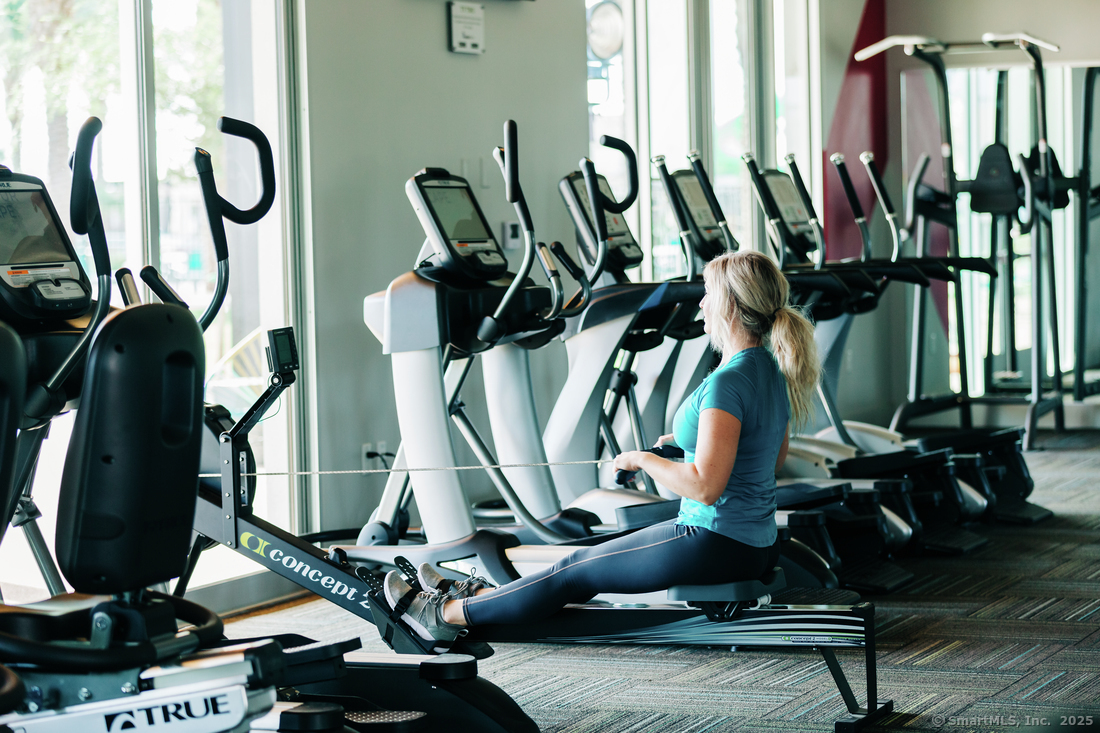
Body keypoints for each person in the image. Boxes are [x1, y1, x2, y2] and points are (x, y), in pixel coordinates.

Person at [384, 250, 820, 646]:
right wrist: (686, 444)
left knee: (573, 570)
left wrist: (642, 459)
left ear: (729, 304)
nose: (702, 304)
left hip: (713, 539)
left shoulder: (728, 380)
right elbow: (769, 456)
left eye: (708, 295)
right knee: (584, 562)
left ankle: (443, 613)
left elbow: (705, 488)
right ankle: (482, 597)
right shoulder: (769, 369)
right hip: (755, 544)